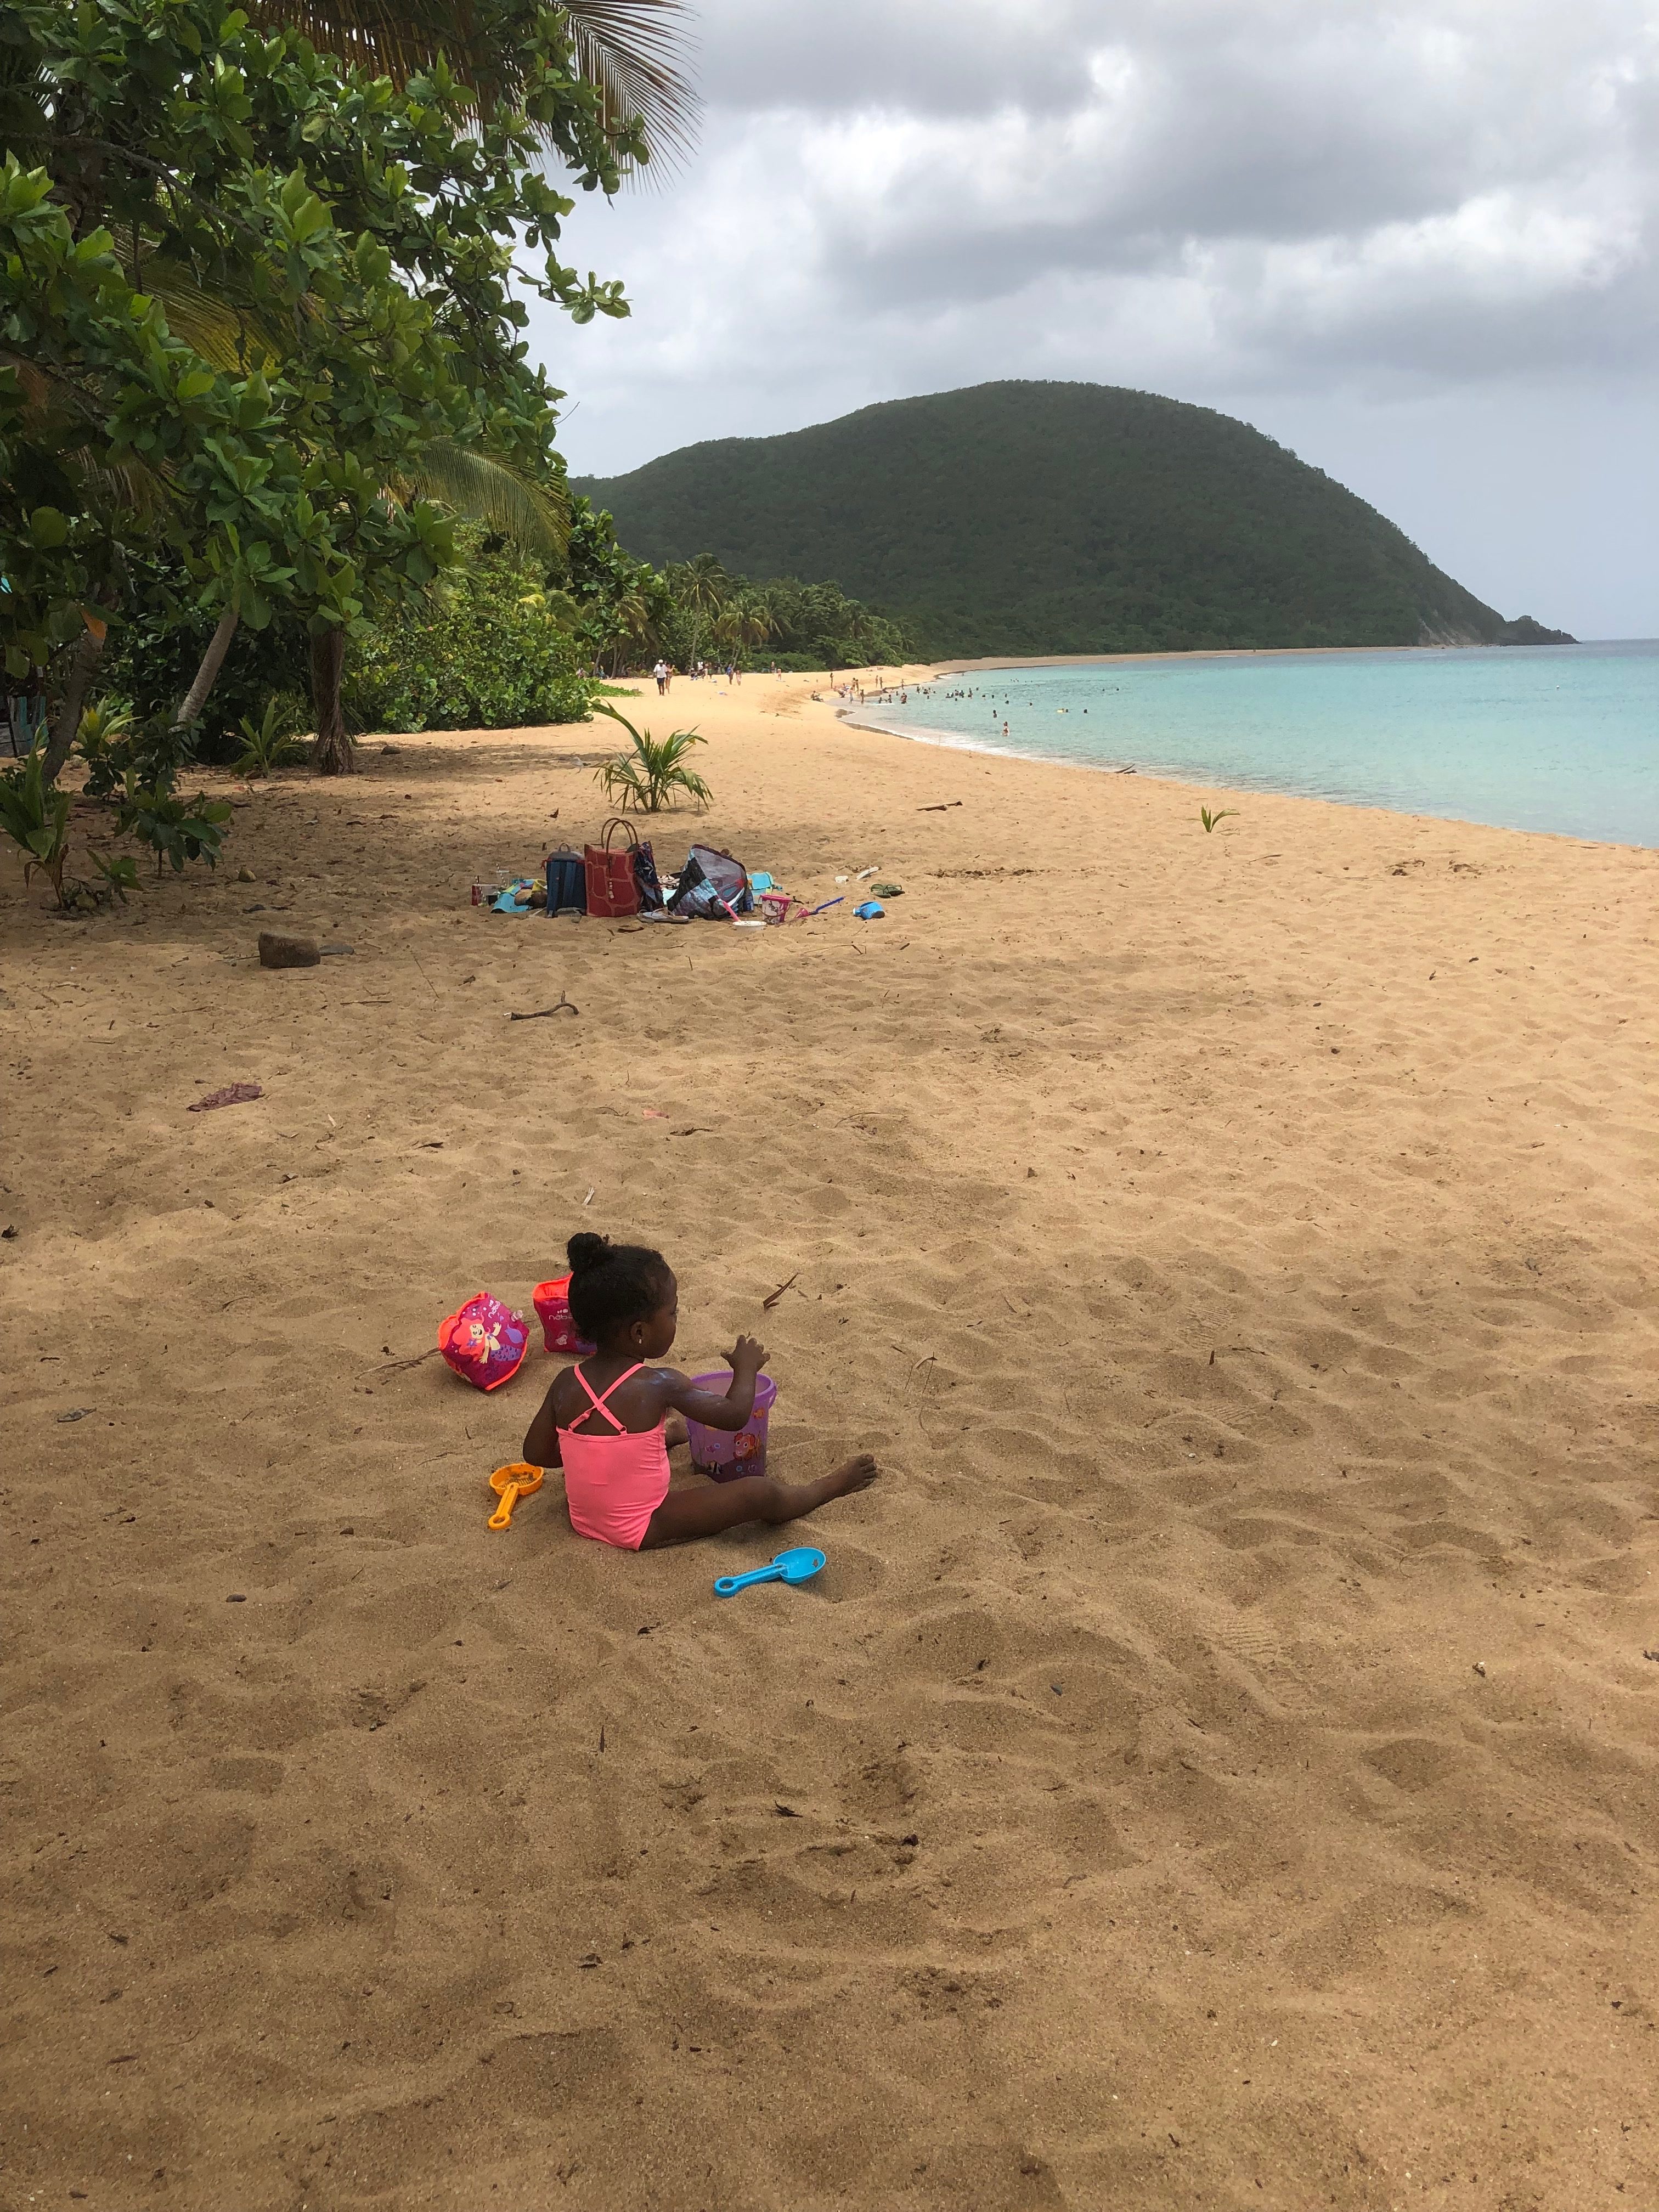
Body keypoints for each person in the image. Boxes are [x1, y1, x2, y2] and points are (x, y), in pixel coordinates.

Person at [522, 1234, 878, 1550]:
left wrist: (594, 1454)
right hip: (644, 1523)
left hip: (584, 1520)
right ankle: (826, 1488)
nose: (677, 1318)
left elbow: (536, 1453)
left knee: (650, 1435)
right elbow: (735, 1415)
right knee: (759, 1492)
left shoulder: (565, 1383)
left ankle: (667, 1437)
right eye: (672, 1312)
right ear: (640, 1333)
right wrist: (746, 1370)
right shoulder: (661, 1383)